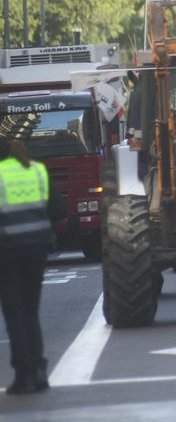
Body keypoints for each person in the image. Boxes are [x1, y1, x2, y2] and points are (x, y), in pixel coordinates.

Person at [0, 138, 65, 395]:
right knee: (30, 310)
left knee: (14, 313)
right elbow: (59, 208)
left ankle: (24, 374)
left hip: (7, 251)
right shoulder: (37, 169)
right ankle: (39, 371)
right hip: (37, 249)